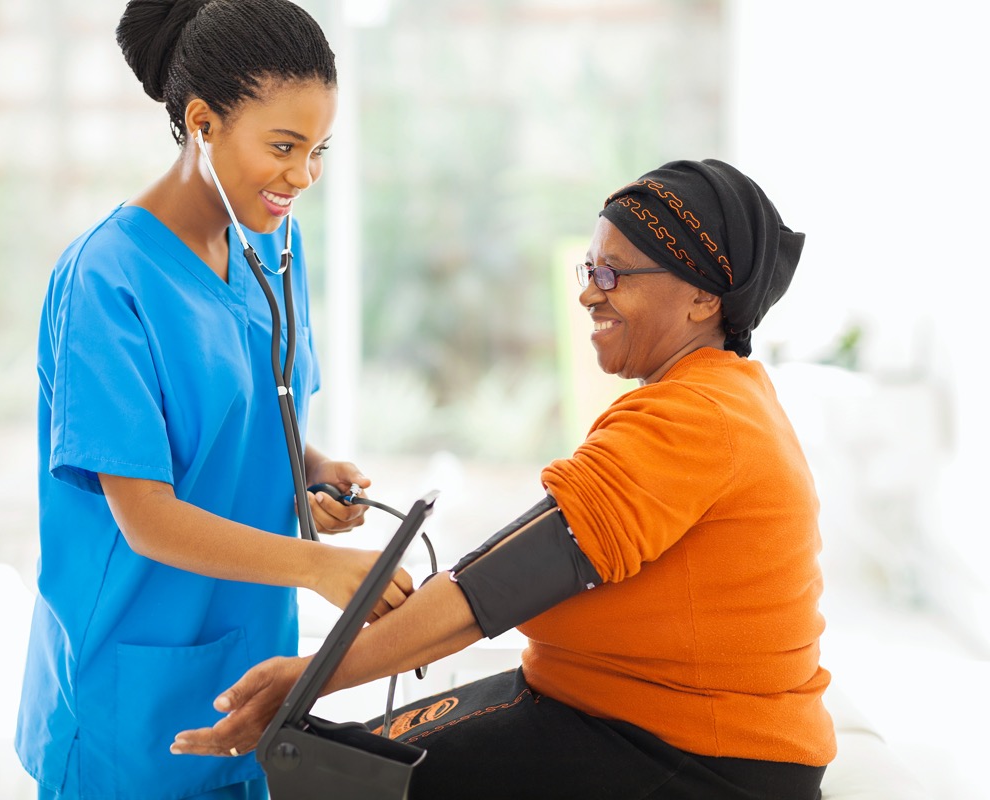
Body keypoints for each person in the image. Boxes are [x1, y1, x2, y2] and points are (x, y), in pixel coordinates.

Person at [171, 159, 838, 799]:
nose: (587, 291)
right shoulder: (714, 398)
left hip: (690, 758)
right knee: (346, 752)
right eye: (590, 266)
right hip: (625, 714)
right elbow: (506, 562)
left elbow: (493, 590)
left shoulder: (695, 420)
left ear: (701, 297)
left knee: (333, 772)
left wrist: (309, 681)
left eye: (613, 273)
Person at [14, 1, 415, 798]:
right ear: (202, 121)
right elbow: (147, 514)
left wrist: (310, 469)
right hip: (128, 693)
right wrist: (322, 568)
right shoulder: (106, 279)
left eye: (319, 150)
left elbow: (257, 415)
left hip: (251, 664)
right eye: (283, 146)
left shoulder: (268, 244)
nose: (303, 177)